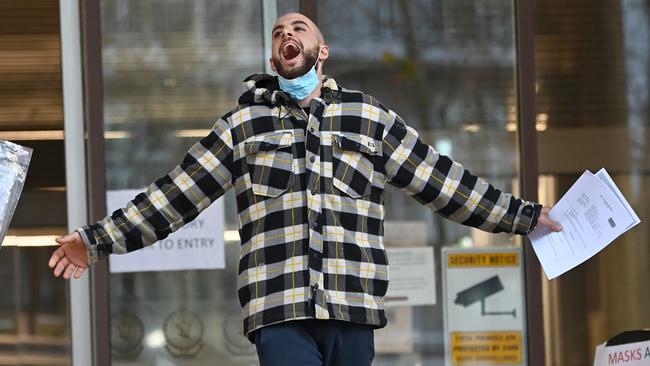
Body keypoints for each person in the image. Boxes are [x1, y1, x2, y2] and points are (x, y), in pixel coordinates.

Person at [48, 12, 562, 366]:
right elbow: (176, 194)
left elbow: (441, 181)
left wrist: (523, 215)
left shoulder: (368, 116)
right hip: (280, 308)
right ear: (275, 59)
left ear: (322, 50)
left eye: (298, 28)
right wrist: (94, 241)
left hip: (352, 308)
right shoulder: (244, 124)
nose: (286, 35)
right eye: (277, 34)